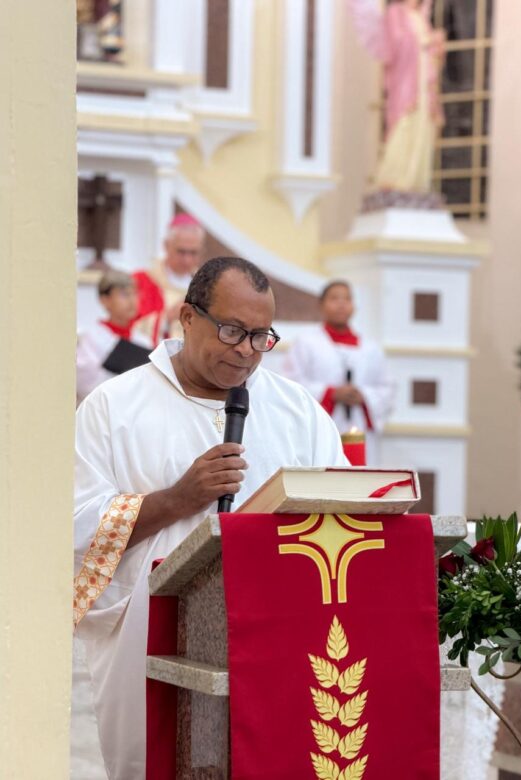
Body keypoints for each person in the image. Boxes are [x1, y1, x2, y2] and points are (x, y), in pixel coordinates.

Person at [73, 257, 347, 779]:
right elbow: (75, 528)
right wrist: (177, 499)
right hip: (149, 641)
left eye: (261, 336)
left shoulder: (299, 411)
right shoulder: (114, 407)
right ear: (188, 317)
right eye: (232, 330)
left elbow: (338, 515)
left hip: (275, 640)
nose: (246, 350)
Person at [282, 280, 393, 464]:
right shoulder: (306, 343)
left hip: (360, 427)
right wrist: (330, 393)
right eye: (334, 298)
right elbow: (291, 384)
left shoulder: (371, 348)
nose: (341, 304)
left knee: (359, 475)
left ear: (354, 306)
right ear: (321, 305)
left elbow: (386, 388)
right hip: (322, 427)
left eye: (347, 299)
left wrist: (364, 396)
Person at [349, 0, 445, 192]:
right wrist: (423, 43)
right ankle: (396, 178)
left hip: (423, 85)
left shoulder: (421, 18)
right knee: (403, 126)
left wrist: (436, 46)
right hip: (406, 82)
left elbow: (433, 58)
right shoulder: (396, 13)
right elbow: (394, 47)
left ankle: (416, 182)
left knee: (421, 128)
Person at [76, 269, 154, 403]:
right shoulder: (91, 337)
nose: (132, 301)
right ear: (104, 300)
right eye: (124, 294)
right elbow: (84, 383)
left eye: (135, 293)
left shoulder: (143, 340)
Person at [133, 212, 206, 343]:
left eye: (193, 253)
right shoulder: (142, 281)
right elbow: (130, 328)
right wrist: (168, 317)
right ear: (166, 246)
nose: (187, 260)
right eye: (181, 251)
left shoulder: (206, 285)